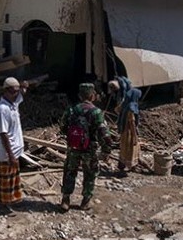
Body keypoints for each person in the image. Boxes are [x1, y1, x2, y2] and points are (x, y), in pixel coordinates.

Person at [59, 83, 113, 212]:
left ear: (79, 95)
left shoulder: (71, 110)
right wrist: (106, 150)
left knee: (70, 172)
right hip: (90, 149)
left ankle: (65, 200)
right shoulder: (96, 112)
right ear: (92, 96)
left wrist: (72, 136)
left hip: (74, 148)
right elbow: (104, 133)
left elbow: (62, 126)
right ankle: (85, 201)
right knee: (89, 174)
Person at [0, 77, 27, 214]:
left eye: (17, 92)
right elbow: (3, 134)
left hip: (14, 151)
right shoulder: (2, 110)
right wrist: (11, 155)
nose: (16, 94)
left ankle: (13, 200)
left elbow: (22, 94)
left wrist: (24, 87)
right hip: (7, 152)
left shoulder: (13, 104)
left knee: (14, 179)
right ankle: (3, 205)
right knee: (5, 180)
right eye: (13, 92)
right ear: (6, 91)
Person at [107, 77, 142, 173]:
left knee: (123, 148)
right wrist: (135, 136)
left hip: (123, 130)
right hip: (129, 132)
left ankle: (121, 164)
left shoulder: (126, 104)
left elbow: (117, 109)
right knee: (130, 149)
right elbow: (132, 123)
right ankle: (130, 165)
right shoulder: (132, 107)